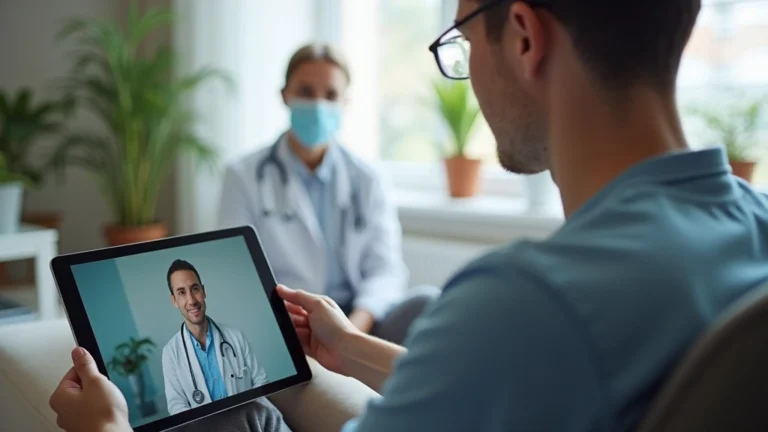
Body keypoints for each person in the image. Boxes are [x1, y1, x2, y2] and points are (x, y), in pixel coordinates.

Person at [50, 0, 768, 430]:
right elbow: (493, 380)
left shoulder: (527, 301)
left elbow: (500, 347)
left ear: (522, 35)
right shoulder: (755, 223)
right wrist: (352, 347)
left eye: (459, 40)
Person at [217, 43, 438, 345]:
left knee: (427, 303)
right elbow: (236, 273)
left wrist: (349, 333)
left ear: (345, 102)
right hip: (284, 325)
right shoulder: (242, 175)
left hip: (358, 323)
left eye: (330, 95)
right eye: (306, 92)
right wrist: (295, 326)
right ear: (285, 95)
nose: (318, 105)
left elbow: (385, 270)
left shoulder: (368, 179)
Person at [161, 259, 269, 414]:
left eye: (195, 289)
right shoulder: (170, 353)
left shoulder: (235, 336)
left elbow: (261, 382)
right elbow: (177, 407)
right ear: (174, 301)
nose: (191, 300)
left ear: (203, 291)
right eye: (182, 293)